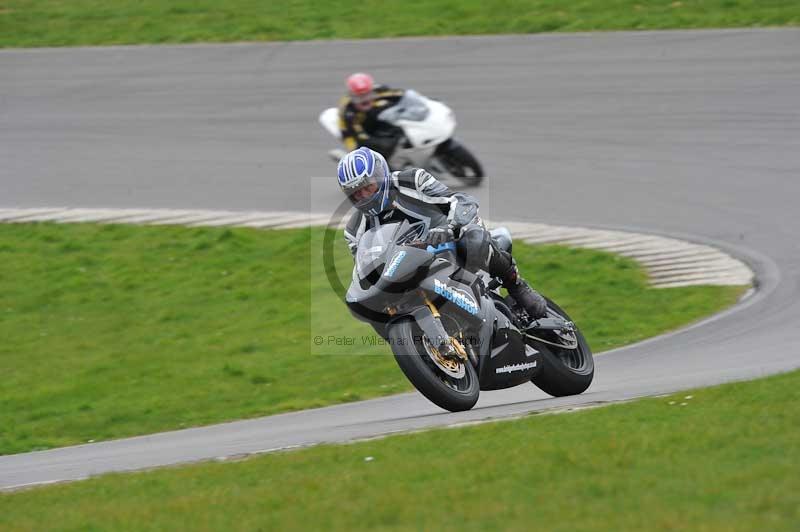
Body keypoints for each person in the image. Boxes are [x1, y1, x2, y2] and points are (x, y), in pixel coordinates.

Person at [338, 147, 548, 343]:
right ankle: (423, 347)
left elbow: (459, 200)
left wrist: (450, 227)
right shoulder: (354, 230)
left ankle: (517, 285)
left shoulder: (413, 180)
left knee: (472, 240)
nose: (363, 196)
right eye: (356, 193)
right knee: (374, 304)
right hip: (408, 266)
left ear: (381, 175)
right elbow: (367, 266)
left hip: (449, 241)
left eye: (367, 187)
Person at [338, 72, 405, 160]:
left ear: (371, 90)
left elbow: (403, 95)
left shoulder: (381, 91)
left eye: (367, 95)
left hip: (380, 120)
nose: (364, 100)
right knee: (375, 148)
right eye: (358, 97)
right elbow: (357, 137)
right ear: (351, 95)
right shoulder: (348, 112)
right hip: (360, 130)